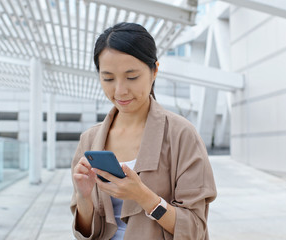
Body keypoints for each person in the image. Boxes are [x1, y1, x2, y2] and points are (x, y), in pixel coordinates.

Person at [70, 22, 217, 240]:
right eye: (108, 78)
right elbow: (84, 231)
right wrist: (84, 197)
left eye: (132, 77)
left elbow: (195, 228)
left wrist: (143, 196)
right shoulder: (90, 139)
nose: (120, 90)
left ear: (154, 70)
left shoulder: (182, 135)